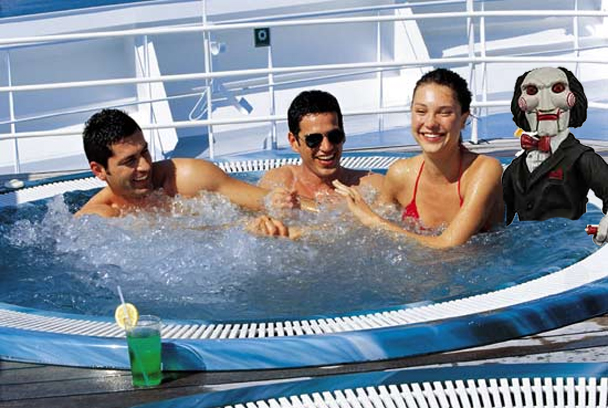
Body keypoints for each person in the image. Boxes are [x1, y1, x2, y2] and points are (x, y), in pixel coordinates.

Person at [334, 68, 504, 249]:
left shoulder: (484, 171)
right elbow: (361, 227)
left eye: (444, 113)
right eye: (421, 111)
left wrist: (374, 222)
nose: (430, 123)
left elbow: (447, 246)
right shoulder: (401, 174)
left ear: (463, 119)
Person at [76, 109, 294, 237]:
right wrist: (239, 229)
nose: (145, 166)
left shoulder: (186, 176)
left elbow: (267, 202)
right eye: (130, 161)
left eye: (145, 152)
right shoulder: (97, 219)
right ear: (99, 170)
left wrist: (279, 203)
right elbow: (168, 239)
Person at [502, 66, 608, 245]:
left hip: (568, 249)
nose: (545, 104)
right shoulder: (514, 169)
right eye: (532, 91)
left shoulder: (582, 158)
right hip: (526, 249)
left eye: (557, 89)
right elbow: (500, 217)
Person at [259, 90, 383, 207]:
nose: (327, 147)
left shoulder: (371, 186)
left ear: (344, 135)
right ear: (294, 142)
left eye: (334, 136)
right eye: (314, 139)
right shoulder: (280, 182)